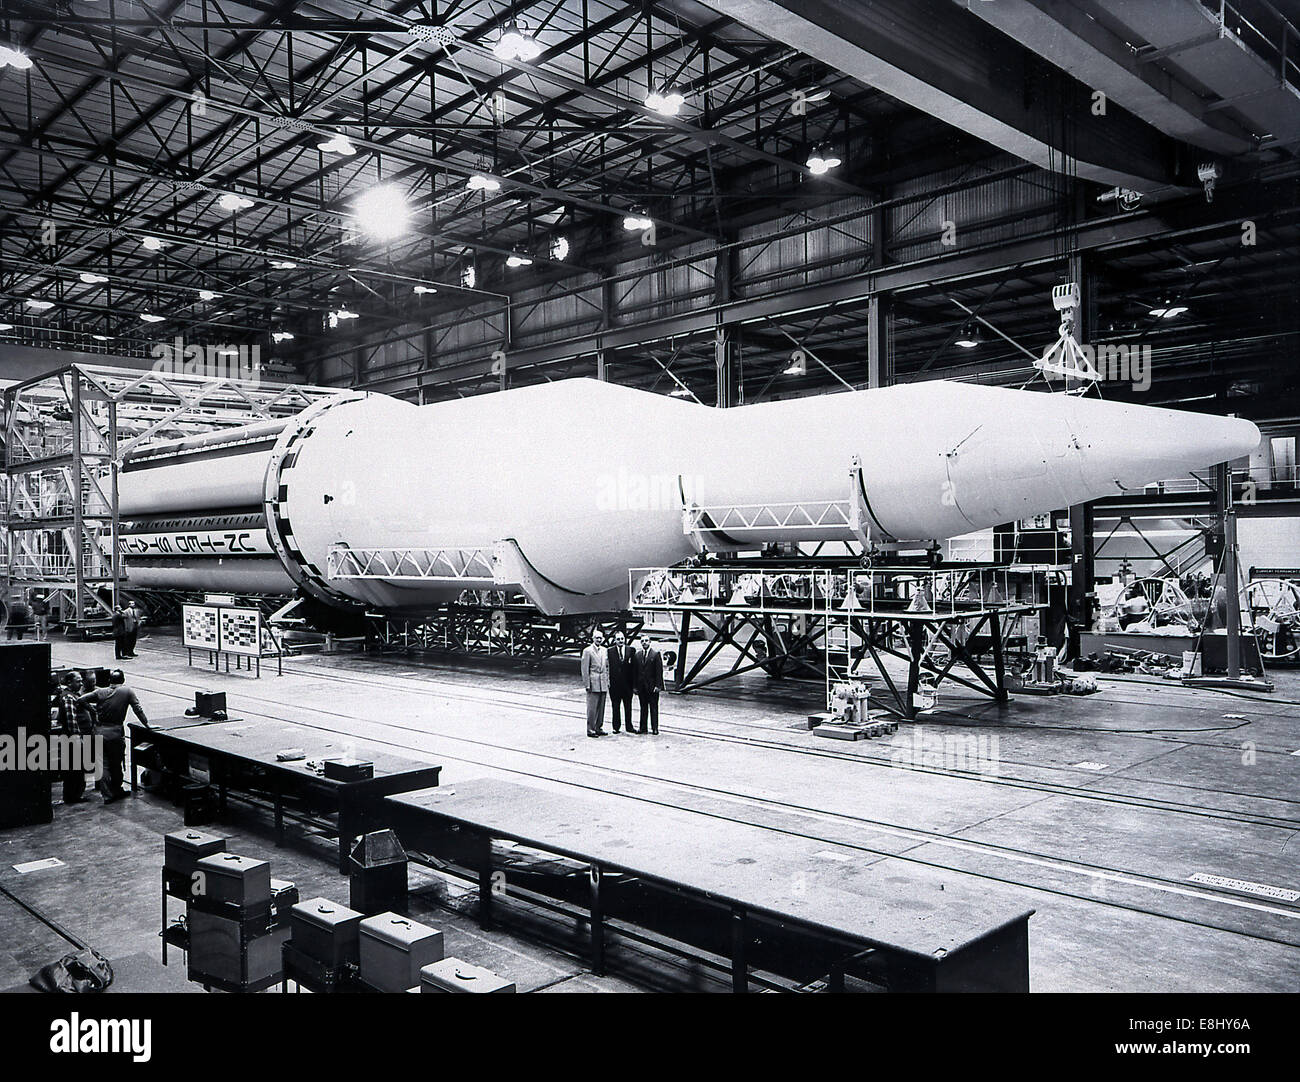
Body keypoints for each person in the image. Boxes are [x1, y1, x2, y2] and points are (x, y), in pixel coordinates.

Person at [79, 669, 151, 804]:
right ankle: (117, 790)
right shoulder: (127, 691)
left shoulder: (100, 692)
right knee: (116, 763)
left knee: (103, 764)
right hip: (115, 732)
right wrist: (147, 725)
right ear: (123, 680)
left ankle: (107, 795)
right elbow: (138, 709)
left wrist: (92, 710)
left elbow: (81, 699)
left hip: (98, 731)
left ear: (109, 681)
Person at [55, 672, 97, 805]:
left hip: (76, 738)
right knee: (74, 768)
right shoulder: (68, 697)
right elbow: (71, 719)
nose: (81, 684)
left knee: (76, 768)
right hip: (73, 739)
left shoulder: (74, 695)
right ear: (69, 683)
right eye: (78, 681)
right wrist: (77, 737)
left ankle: (75, 794)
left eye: (80, 681)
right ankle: (73, 796)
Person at [633, 634, 665, 736]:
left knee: (654, 708)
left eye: (646, 640)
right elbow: (635, 672)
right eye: (642, 641)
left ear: (650, 642)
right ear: (641, 643)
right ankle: (643, 728)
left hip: (652, 687)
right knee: (643, 708)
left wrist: (658, 686)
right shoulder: (637, 655)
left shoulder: (655, 655)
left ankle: (655, 728)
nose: (644, 642)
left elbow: (659, 672)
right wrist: (635, 687)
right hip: (641, 687)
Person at [580, 630, 610, 738]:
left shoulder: (604, 650)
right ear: (593, 639)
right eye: (597, 638)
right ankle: (590, 729)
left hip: (603, 682)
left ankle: (599, 727)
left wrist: (608, 681)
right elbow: (584, 669)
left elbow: (607, 667)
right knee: (592, 708)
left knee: (601, 707)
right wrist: (587, 684)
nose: (599, 640)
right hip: (593, 682)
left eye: (600, 638)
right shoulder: (587, 651)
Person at [606, 631, 636, 734]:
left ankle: (629, 726)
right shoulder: (609, 651)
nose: (620, 641)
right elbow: (607, 667)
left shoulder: (631, 650)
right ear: (614, 640)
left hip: (628, 685)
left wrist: (633, 684)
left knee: (628, 706)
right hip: (615, 685)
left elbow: (633, 668)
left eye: (622, 639)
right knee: (615, 706)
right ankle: (616, 727)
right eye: (618, 639)